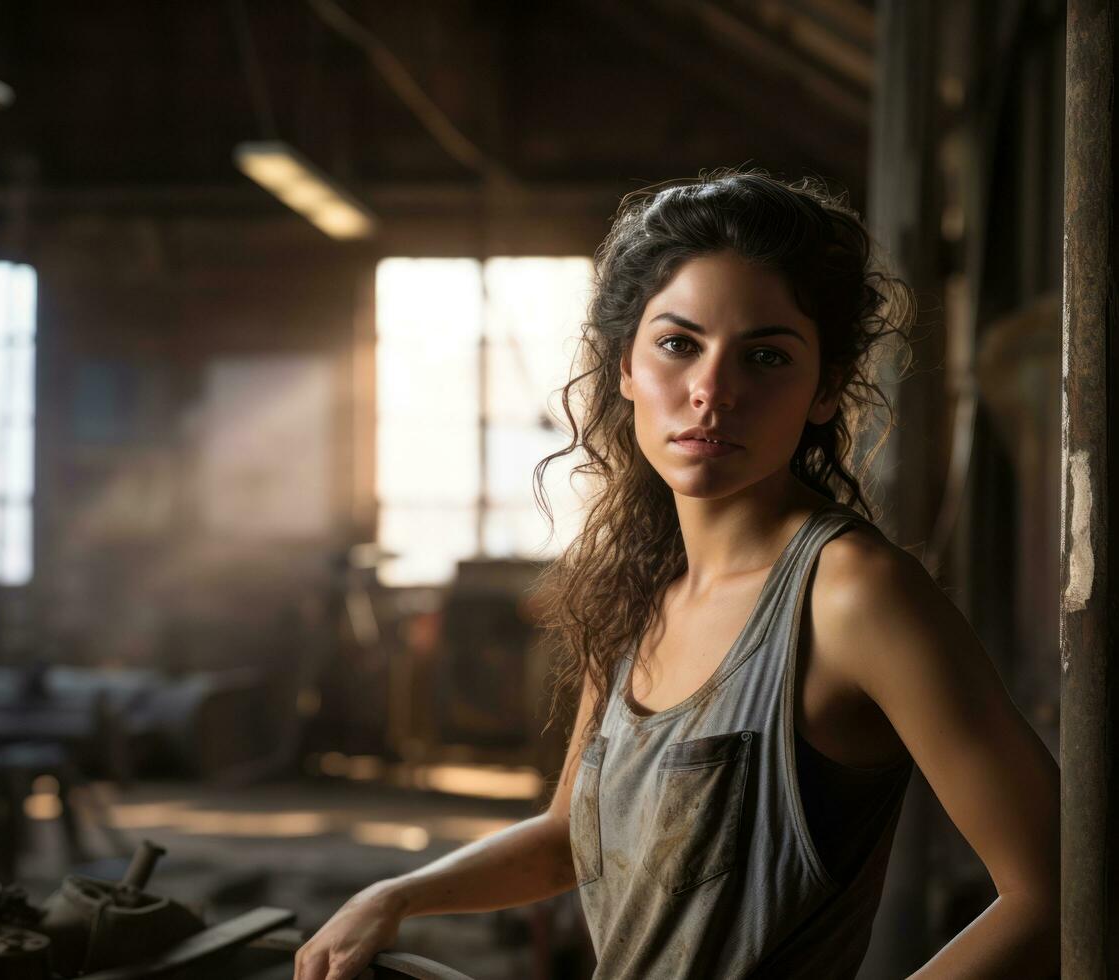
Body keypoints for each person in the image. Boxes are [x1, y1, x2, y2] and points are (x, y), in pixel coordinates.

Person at [292, 171, 1061, 980]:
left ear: (825, 389)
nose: (711, 392)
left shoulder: (851, 595)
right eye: (677, 344)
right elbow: (565, 840)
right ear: (624, 366)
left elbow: (1053, 890)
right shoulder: (635, 586)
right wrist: (395, 894)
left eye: (764, 356)